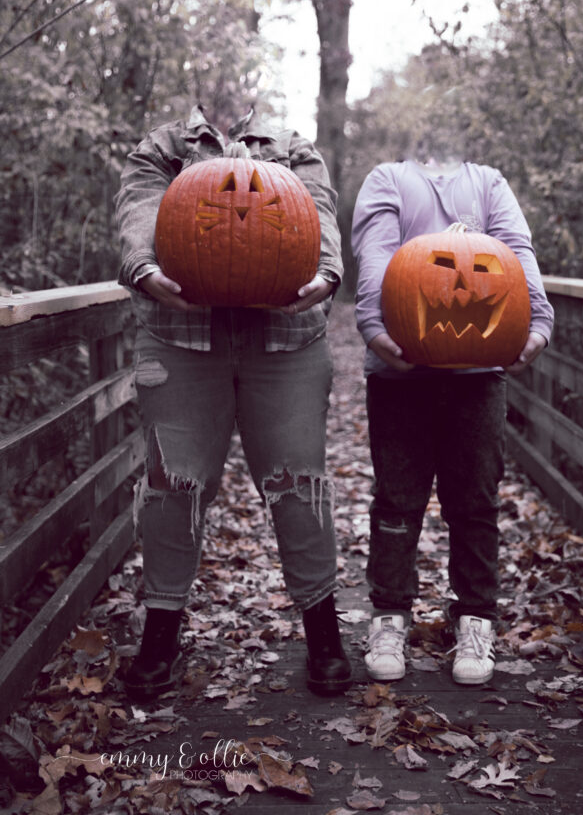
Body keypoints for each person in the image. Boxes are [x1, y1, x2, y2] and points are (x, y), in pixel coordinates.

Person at [114, 104, 351, 701]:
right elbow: (140, 212)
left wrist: (325, 273)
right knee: (174, 487)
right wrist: (144, 269)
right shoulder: (163, 148)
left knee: (300, 481)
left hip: (287, 338)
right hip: (182, 338)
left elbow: (318, 214)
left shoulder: (291, 148)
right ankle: (161, 635)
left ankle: (323, 634)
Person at [351, 151, 554, 686]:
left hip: (478, 374)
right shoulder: (387, 178)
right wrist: (375, 324)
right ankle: (390, 615)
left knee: (475, 502)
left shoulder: (488, 184)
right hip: (399, 371)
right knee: (396, 499)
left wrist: (539, 317)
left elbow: (517, 252)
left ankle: (476, 618)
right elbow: (375, 256)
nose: (460, 284)